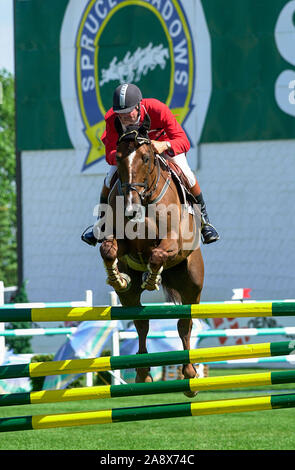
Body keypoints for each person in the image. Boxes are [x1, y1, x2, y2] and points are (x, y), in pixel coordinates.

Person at [81, 83, 219, 246]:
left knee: (187, 174)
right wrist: (122, 156)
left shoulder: (157, 109)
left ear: (139, 106)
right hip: (132, 155)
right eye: (120, 113)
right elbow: (109, 152)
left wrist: (165, 145)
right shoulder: (112, 118)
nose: (123, 117)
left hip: (161, 147)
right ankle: (101, 223)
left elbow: (183, 141)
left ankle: (204, 221)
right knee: (109, 178)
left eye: (128, 112)